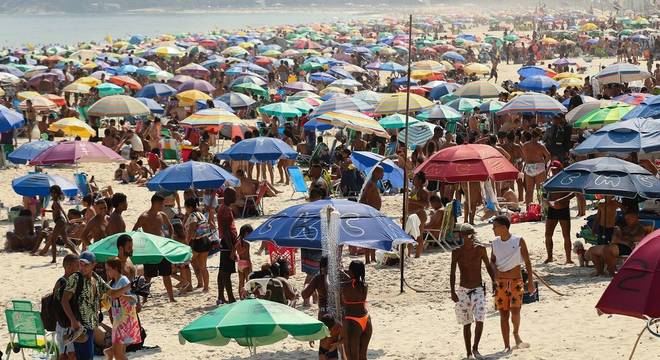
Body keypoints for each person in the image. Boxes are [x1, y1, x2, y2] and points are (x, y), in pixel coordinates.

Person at [60, 251, 123, 360]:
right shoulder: (76, 278)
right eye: (81, 264)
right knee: (85, 357)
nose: (82, 267)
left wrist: (128, 287)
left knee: (87, 356)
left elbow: (112, 293)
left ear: (94, 265)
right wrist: (73, 321)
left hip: (92, 324)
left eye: (86, 265)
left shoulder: (96, 278)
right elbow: (64, 301)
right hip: (80, 326)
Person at [450, 223, 495, 360]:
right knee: (467, 323)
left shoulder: (480, 249)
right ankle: (469, 352)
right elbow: (452, 272)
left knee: (480, 319)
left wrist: (494, 282)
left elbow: (488, 266)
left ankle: (475, 348)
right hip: (463, 290)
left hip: (478, 289)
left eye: (470, 235)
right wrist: (452, 291)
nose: (468, 238)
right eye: (465, 235)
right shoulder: (457, 251)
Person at [490, 216, 534, 353]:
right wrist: (495, 273)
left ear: (503, 227)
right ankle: (506, 344)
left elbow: (527, 262)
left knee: (515, 312)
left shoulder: (518, 240)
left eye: (495, 226)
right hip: (501, 282)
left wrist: (531, 281)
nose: (493, 229)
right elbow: (492, 261)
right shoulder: (495, 243)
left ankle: (516, 333)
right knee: (503, 315)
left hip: (516, 281)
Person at [133, 194, 175, 302]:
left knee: (166, 274)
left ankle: (171, 298)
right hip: (150, 249)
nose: (162, 206)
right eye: (161, 204)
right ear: (155, 203)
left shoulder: (162, 215)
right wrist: (140, 244)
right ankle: (144, 299)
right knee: (148, 275)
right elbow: (134, 230)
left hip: (161, 248)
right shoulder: (144, 216)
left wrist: (169, 238)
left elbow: (170, 226)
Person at [103, 257, 141, 360]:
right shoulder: (112, 283)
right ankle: (109, 353)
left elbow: (133, 300)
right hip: (117, 320)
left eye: (108, 269)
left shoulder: (123, 280)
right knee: (116, 351)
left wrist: (120, 295)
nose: (107, 272)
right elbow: (109, 303)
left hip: (125, 320)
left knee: (118, 353)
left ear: (115, 268)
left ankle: (109, 353)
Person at [341, 260, 371, 360]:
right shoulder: (364, 285)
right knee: (363, 356)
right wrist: (347, 272)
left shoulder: (345, 286)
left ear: (352, 272)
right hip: (366, 320)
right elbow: (352, 279)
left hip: (352, 320)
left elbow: (331, 285)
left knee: (353, 357)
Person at [41, 185, 78, 262]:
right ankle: (77, 255)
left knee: (53, 241)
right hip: (60, 221)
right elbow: (56, 211)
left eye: (51, 193)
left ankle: (54, 259)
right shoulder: (56, 201)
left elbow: (62, 211)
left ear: (54, 193)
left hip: (60, 221)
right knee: (66, 242)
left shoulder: (56, 202)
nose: (50, 194)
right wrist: (47, 211)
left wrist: (68, 220)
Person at [53, 254, 80, 360]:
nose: (78, 268)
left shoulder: (64, 281)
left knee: (67, 353)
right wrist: (72, 320)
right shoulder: (63, 282)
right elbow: (62, 304)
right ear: (68, 266)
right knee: (69, 354)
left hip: (64, 323)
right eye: (76, 265)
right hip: (66, 324)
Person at [184, 198, 212, 292]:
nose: (185, 209)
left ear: (190, 207)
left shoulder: (192, 216)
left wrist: (187, 243)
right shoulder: (201, 214)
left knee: (185, 263)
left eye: (186, 207)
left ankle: (188, 285)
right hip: (206, 240)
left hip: (197, 242)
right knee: (203, 266)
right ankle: (205, 286)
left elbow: (192, 230)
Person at [217, 187, 238, 305]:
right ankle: (230, 297)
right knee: (226, 272)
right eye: (234, 195)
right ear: (228, 196)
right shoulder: (225, 210)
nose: (235, 198)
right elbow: (225, 230)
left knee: (222, 272)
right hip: (227, 243)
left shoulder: (224, 208)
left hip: (227, 242)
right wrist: (232, 249)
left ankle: (220, 296)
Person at [358, 166, 383, 264]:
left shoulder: (374, 184)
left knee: (374, 236)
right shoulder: (370, 184)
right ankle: (368, 259)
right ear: (375, 173)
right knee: (369, 237)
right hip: (370, 214)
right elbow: (364, 198)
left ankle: (372, 257)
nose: (383, 175)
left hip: (374, 213)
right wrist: (368, 212)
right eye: (381, 173)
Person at [521, 129, 550, 205]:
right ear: (539, 136)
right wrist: (544, 163)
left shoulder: (525, 145)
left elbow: (524, 157)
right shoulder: (540, 146)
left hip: (529, 167)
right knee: (539, 190)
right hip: (539, 166)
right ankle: (541, 208)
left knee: (529, 190)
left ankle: (528, 208)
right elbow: (548, 156)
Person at [408, 172, 429, 258]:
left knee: (418, 236)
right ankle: (408, 254)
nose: (413, 180)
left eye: (415, 179)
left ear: (420, 181)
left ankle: (417, 256)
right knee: (409, 236)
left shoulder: (423, 191)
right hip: (412, 214)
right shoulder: (414, 189)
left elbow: (427, 204)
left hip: (419, 214)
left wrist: (412, 201)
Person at [235, 224, 253, 299]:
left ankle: (241, 297)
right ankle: (248, 296)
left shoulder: (237, 242)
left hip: (240, 264)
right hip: (246, 263)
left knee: (241, 282)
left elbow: (234, 254)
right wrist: (250, 265)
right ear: (246, 233)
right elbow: (248, 256)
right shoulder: (247, 244)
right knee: (249, 281)